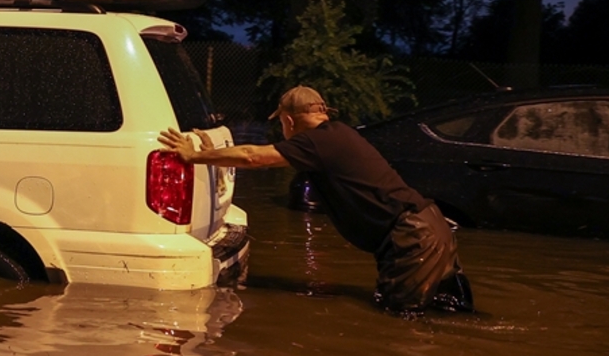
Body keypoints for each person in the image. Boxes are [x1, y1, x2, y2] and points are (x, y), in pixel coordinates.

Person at [158, 85, 472, 313]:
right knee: (453, 318)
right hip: (434, 228)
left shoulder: (316, 142)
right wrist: (209, 143)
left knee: (402, 327)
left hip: (415, 239)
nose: (283, 130)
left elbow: (253, 156)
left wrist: (195, 155)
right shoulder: (338, 134)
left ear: (289, 121)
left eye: (281, 124)